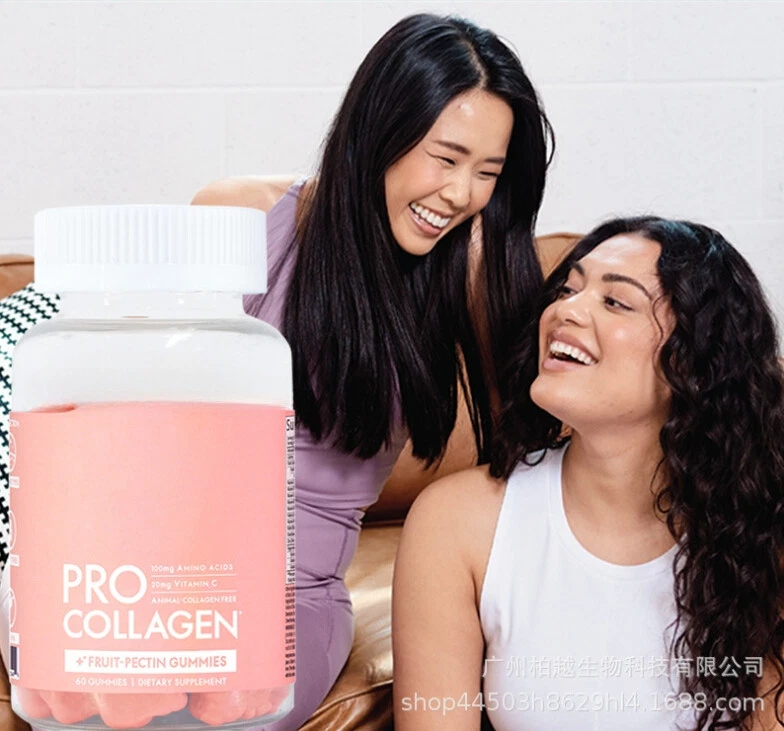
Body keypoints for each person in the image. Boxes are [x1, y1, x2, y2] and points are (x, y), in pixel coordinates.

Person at [0, 13, 554, 729]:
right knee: (83, 677)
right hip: (146, 572)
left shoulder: (470, 269)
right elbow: (139, 416)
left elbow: (531, 435)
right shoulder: (244, 218)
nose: (459, 194)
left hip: (289, 597)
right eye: (445, 158)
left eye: (487, 173)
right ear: (381, 127)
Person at [393, 217, 784, 730]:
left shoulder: (761, 530)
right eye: (568, 289)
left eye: (616, 301)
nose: (565, 310)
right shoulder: (457, 523)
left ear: (692, 363)